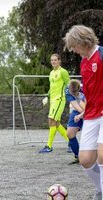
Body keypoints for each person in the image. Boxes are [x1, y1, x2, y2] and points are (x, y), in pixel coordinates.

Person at [64, 25, 103, 200]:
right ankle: (100, 189)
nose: (74, 50)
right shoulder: (84, 62)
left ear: (83, 41)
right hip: (92, 114)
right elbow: (89, 91)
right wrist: (84, 112)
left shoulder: (101, 55)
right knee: (86, 159)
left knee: (102, 155)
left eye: (75, 46)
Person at [39, 53, 70, 153]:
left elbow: (68, 85)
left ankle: (49, 146)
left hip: (60, 99)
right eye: (52, 60)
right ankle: (71, 142)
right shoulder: (51, 73)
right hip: (52, 100)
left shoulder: (63, 72)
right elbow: (51, 87)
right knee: (56, 123)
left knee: (51, 120)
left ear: (59, 61)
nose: (53, 62)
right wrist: (47, 96)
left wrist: (69, 98)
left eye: (55, 60)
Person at [65, 79, 86, 165]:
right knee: (70, 134)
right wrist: (81, 115)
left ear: (79, 89)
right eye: (72, 93)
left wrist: (82, 115)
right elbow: (76, 105)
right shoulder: (67, 90)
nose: (74, 94)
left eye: (75, 93)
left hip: (89, 109)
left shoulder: (85, 89)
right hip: (78, 110)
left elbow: (87, 106)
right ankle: (78, 156)